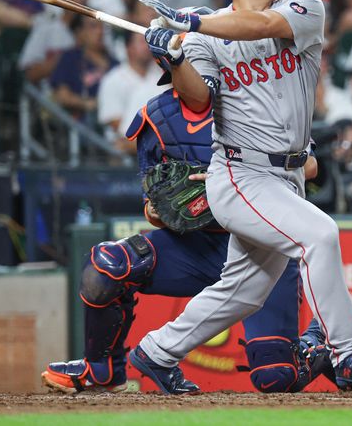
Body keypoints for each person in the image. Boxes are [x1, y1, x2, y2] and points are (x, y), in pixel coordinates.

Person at [128, 0, 352, 394]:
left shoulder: (303, 7)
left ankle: (156, 352)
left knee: (243, 291)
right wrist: (175, 58)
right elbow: (198, 102)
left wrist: (191, 24)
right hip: (239, 173)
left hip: (288, 175)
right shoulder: (204, 37)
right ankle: (347, 351)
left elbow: (262, 26)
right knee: (320, 235)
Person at [41, 87, 329, 394]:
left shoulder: (260, 97)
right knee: (106, 267)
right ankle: (102, 370)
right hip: (196, 245)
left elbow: (309, 165)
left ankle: (317, 345)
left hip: (258, 248)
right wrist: (160, 209)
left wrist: (231, 178)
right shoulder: (156, 117)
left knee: (275, 377)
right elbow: (153, 203)